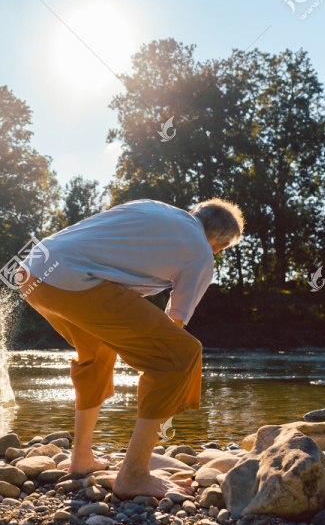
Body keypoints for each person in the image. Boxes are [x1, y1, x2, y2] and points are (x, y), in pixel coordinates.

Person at [18, 198, 244, 499]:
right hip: (72, 280)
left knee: (97, 352)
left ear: (194, 215)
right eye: (222, 247)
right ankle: (134, 474)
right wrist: (157, 367)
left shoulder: (151, 206)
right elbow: (174, 322)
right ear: (220, 244)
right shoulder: (201, 253)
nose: (217, 251)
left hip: (32, 272)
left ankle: (81, 458)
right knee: (180, 355)